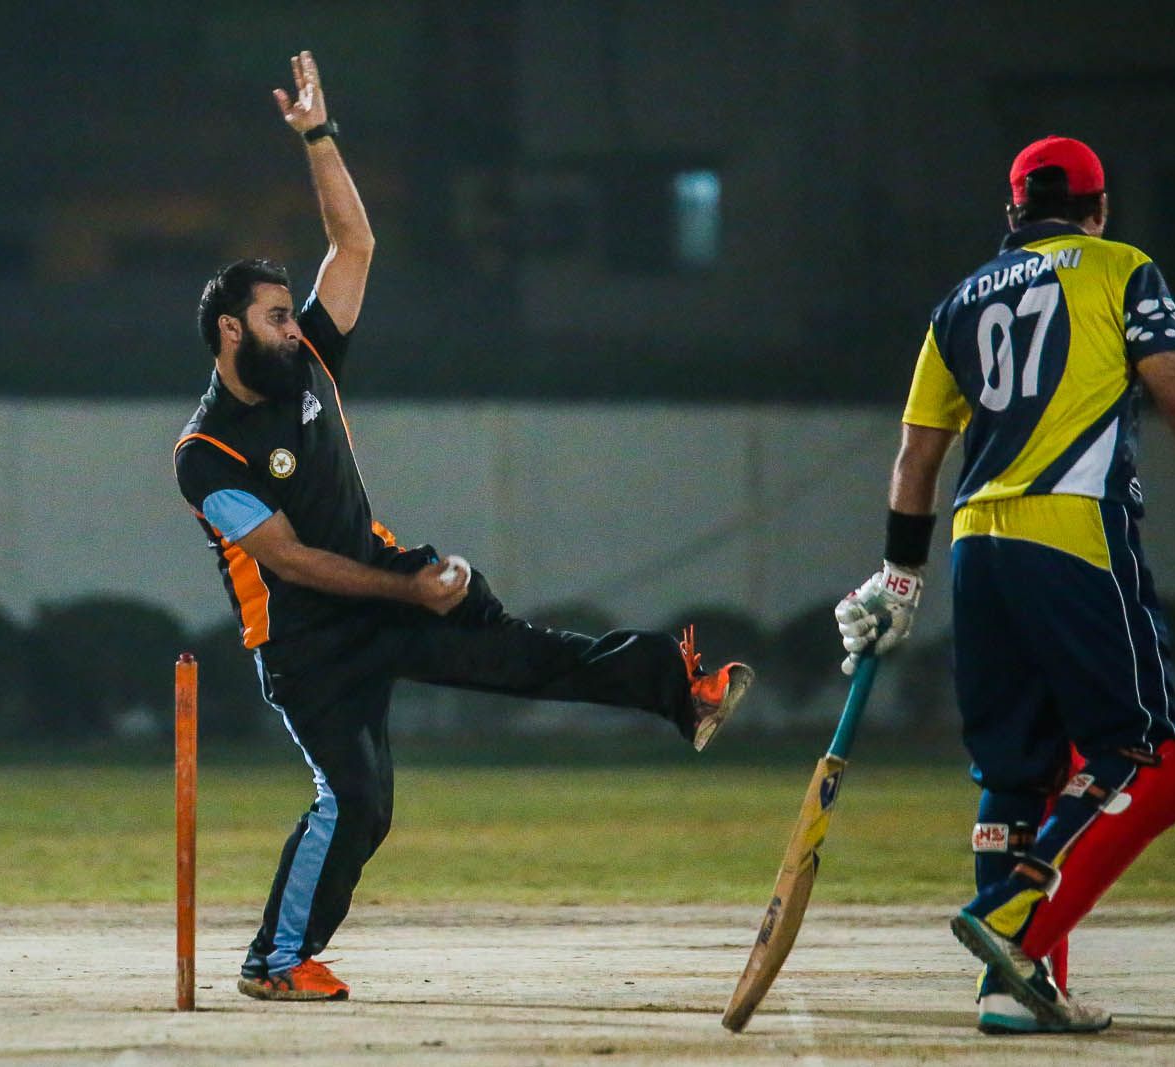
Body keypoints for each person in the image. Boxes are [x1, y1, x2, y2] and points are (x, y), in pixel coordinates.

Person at [173, 51, 754, 1002]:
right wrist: (408, 586)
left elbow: (355, 246)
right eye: (274, 318)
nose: (291, 327)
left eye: (288, 315)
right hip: (307, 643)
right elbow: (290, 561)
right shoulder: (205, 454)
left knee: (521, 652)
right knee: (358, 804)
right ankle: (275, 962)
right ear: (230, 333)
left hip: (382, 588)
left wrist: (318, 137)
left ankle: (675, 692)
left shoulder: (307, 358)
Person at [833, 135, 1175, 1034]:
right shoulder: (1120, 268)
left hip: (977, 544)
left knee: (1014, 769)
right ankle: (1014, 913)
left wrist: (900, 576)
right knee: (1137, 743)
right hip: (1072, 532)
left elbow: (917, 455)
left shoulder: (958, 303)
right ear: (1098, 208)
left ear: (1013, 211)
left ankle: (1008, 988)